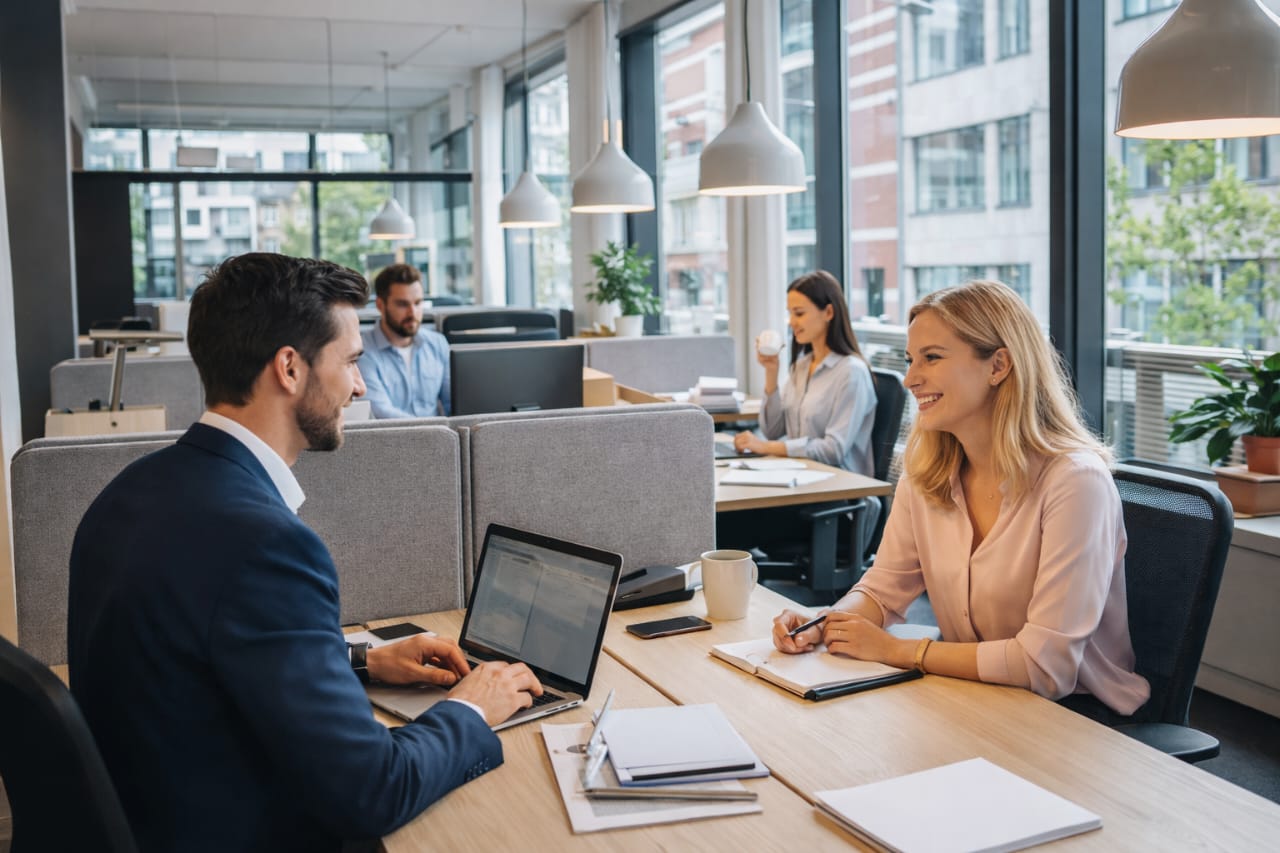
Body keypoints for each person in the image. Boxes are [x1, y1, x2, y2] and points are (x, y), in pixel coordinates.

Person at [68, 253, 542, 852]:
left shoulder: (130, 490)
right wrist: (472, 709)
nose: (361, 386)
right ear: (289, 369)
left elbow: (196, 654)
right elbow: (374, 791)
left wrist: (361, 662)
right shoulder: (268, 545)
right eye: (349, 362)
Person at [771, 280, 1150, 721]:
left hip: (1079, 718)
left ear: (999, 366)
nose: (911, 379)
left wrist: (900, 650)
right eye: (912, 359)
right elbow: (882, 589)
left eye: (932, 358)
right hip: (974, 696)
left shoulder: (1074, 483)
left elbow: (1046, 667)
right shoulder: (928, 473)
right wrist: (827, 623)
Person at [733, 269, 876, 476]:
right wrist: (771, 372)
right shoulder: (801, 366)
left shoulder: (851, 372)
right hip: (799, 475)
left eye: (799, 313)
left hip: (839, 486)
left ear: (828, 312)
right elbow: (773, 431)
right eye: (789, 313)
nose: (791, 322)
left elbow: (833, 450)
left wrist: (766, 447)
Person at [358, 263, 451, 418]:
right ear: (381, 305)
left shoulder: (437, 343)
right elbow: (381, 411)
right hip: (394, 440)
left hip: (441, 438)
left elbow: (453, 403)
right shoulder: (362, 349)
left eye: (418, 303)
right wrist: (437, 430)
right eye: (402, 304)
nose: (412, 312)